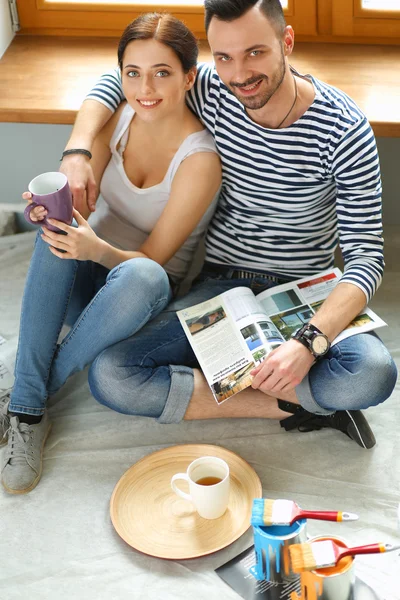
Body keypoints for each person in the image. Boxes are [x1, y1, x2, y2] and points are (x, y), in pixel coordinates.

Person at [36, 1, 398, 452]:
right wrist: (77, 151)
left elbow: (366, 257)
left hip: (306, 290)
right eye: (224, 56)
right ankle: (297, 404)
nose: (239, 74)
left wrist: (309, 343)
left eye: (255, 53)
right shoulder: (210, 86)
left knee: (373, 372)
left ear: (287, 42)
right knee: (112, 375)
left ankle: (266, 378)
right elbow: (118, 78)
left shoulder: (344, 128)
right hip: (221, 286)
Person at [0, 13, 221, 494]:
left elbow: (154, 261)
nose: (145, 88)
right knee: (54, 221)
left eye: (162, 72)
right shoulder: (115, 120)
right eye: (133, 73)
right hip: (84, 273)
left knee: (142, 276)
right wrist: (54, 210)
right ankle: (29, 405)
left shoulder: (201, 160)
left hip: (139, 297)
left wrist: (95, 248)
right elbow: (78, 208)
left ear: (189, 77)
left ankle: (26, 390)